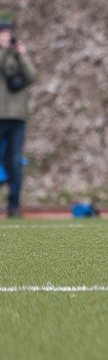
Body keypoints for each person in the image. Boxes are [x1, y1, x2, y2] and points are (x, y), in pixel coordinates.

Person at [0, 20, 37, 218]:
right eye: (3, 33)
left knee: (14, 162)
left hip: (17, 117)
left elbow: (32, 76)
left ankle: (14, 206)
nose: (6, 37)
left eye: (8, 33)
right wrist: (5, 50)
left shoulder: (17, 55)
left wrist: (22, 55)